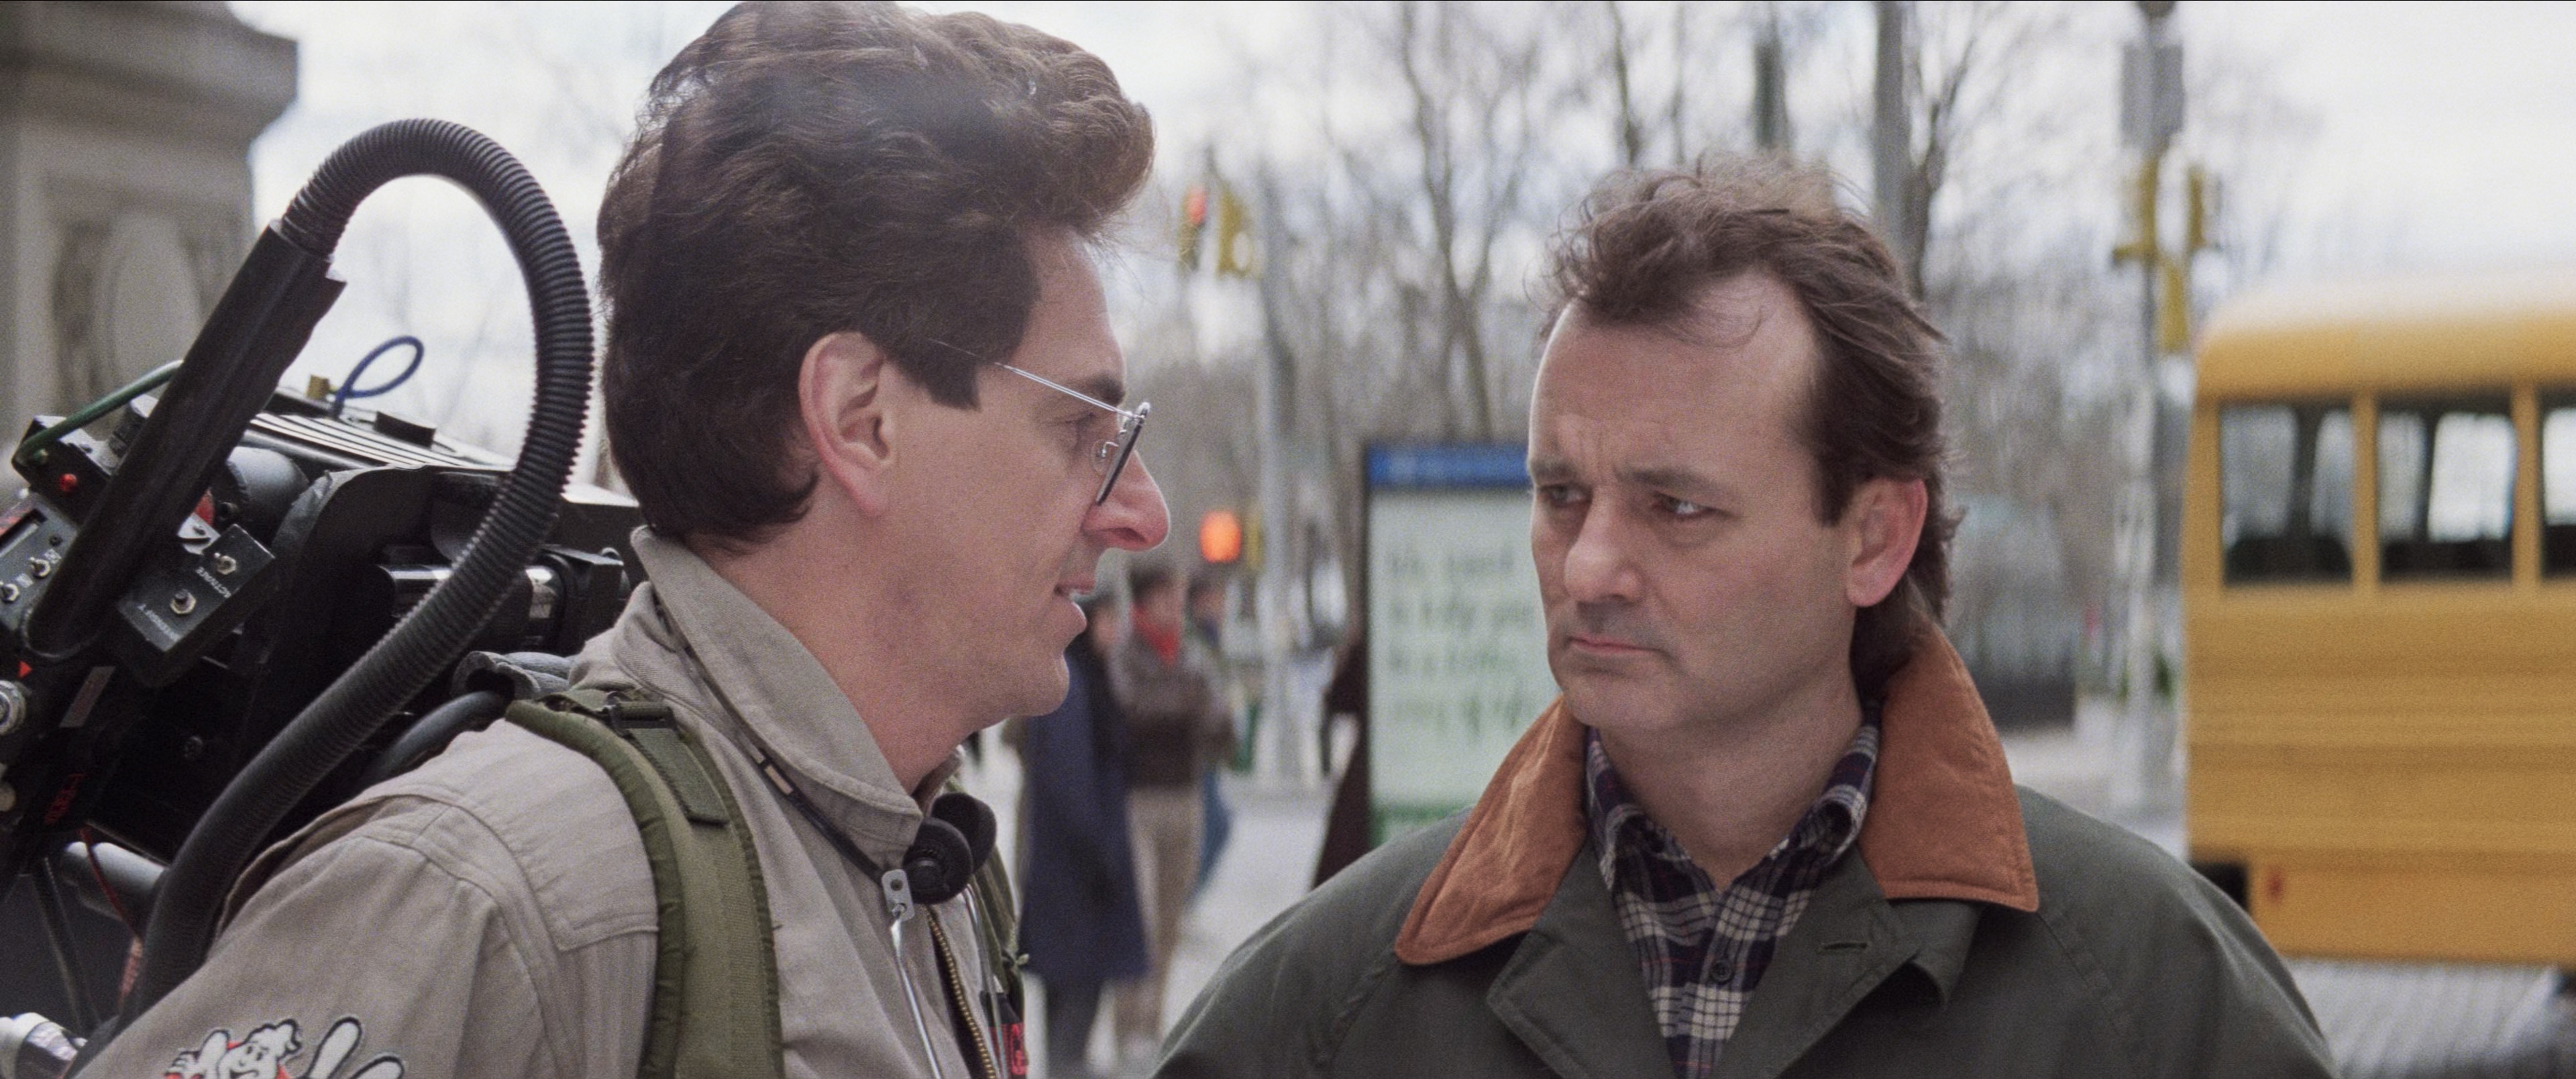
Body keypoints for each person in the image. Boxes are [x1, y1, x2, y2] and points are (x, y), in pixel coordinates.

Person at [78, 4, 1167, 1078]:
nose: (1141, 512)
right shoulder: (498, 902)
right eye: (1082, 429)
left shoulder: (922, 854)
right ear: (859, 418)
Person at [1160, 158, 2335, 1078]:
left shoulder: (2155, 998)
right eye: (1561, 494)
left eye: (1676, 507)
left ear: (1872, 538)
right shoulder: (1323, 1009)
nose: (1590, 564)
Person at [1015, 594, 1150, 1079]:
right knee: (1076, 984)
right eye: (1108, 620)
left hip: (1075, 866)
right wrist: (1101, 852)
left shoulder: (1090, 676)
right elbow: (1071, 782)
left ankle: (1065, 1065)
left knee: (1072, 982)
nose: (1115, 631)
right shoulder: (1071, 684)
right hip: (1077, 871)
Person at [1110, 563, 1230, 1061]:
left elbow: (1221, 723)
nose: (1175, 608)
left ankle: (1153, 1024)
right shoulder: (1125, 653)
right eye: (1165, 597)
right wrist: (1186, 706)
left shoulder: (1191, 653)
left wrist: (1185, 707)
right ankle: (1128, 1029)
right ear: (1144, 601)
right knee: (1139, 917)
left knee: (1170, 920)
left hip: (1186, 795)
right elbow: (1134, 714)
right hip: (1139, 799)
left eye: (1178, 598)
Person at [1182, 568, 1234, 894]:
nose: (1221, 607)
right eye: (1215, 600)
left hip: (1210, 751)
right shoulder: (1191, 640)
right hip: (1197, 751)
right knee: (1214, 825)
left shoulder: (1211, 638)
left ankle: (1188, 896)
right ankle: (1187, 896)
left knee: (1216, 826)